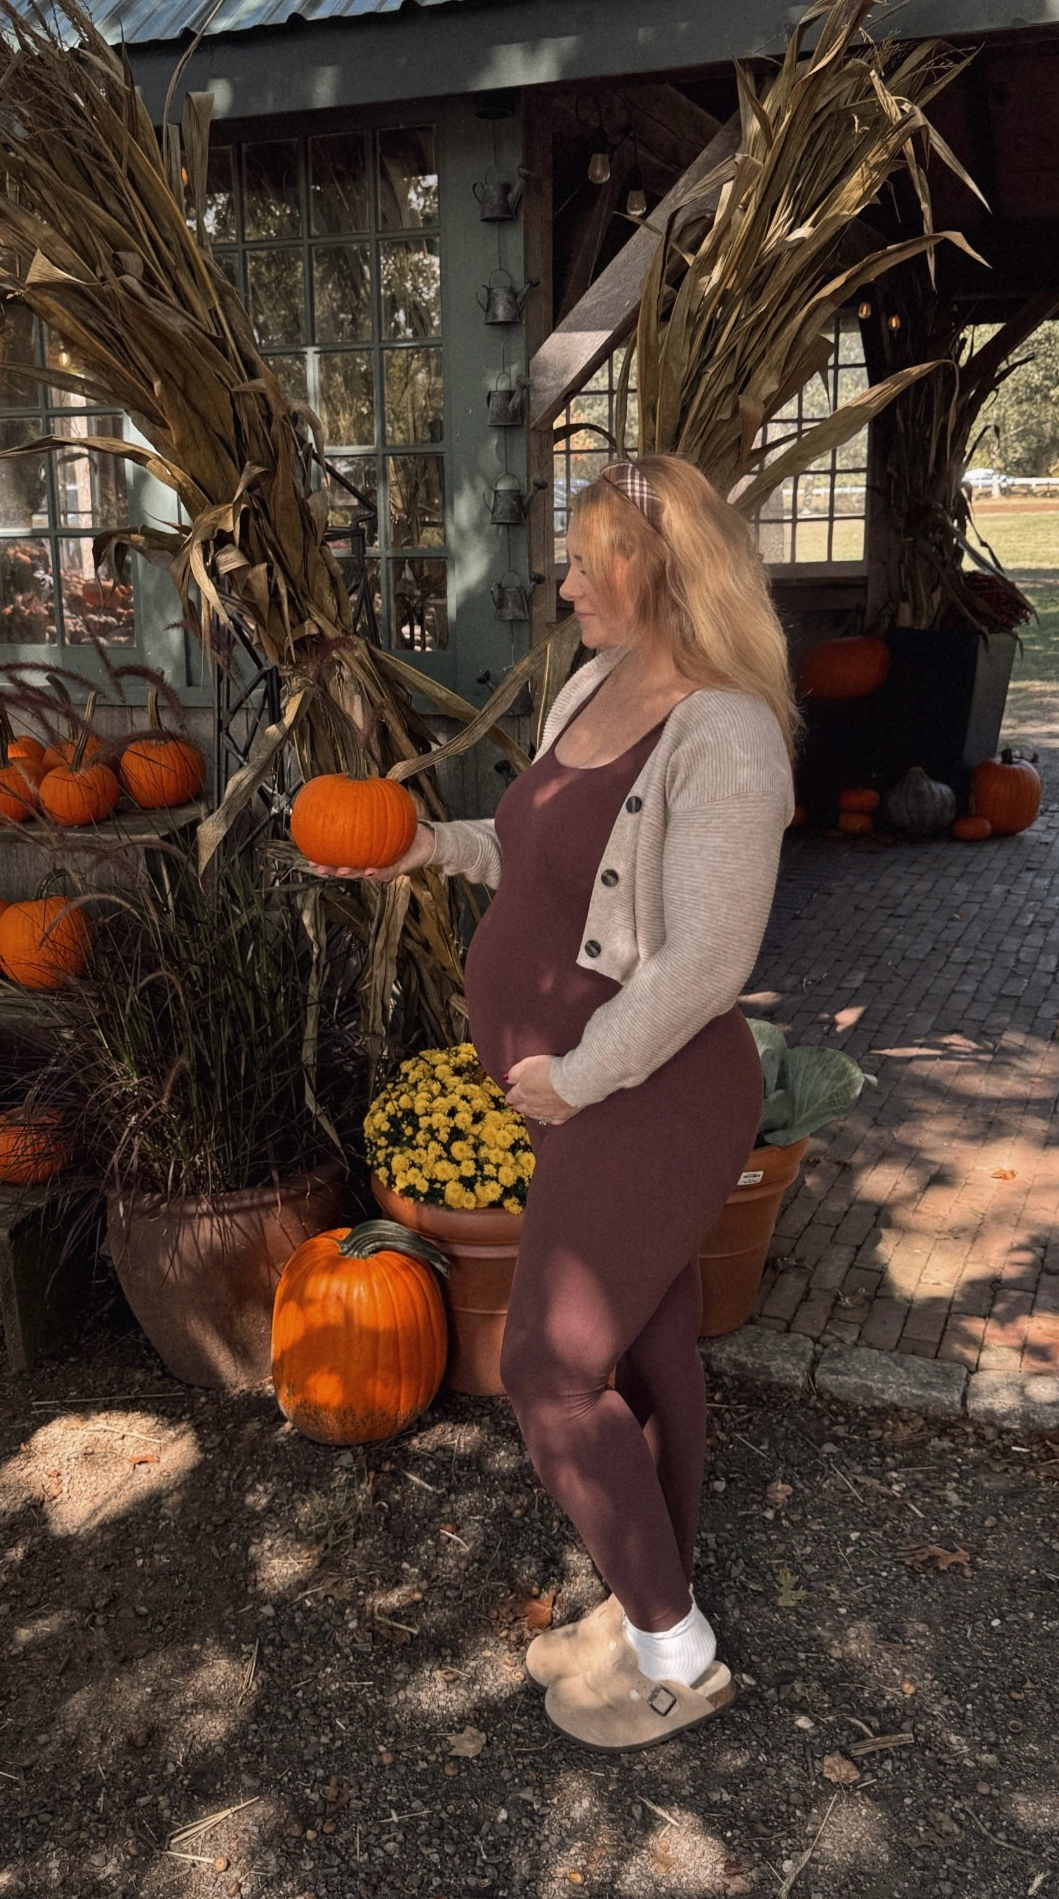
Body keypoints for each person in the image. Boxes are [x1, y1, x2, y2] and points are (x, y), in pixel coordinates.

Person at [310, 454, 796, 1750]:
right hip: (591, 1097)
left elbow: (704, 964)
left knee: (547, 1368)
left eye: (586, 561)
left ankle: (678, 1655)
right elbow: (539, 858)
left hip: (654, 1094)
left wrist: (575, 1079)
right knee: (649, 1344)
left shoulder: (727, 736)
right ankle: (649, 1608)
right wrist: (430, 847)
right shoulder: (595, 682)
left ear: (660, 570)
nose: (565, 583)